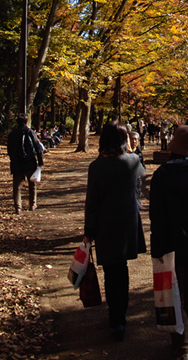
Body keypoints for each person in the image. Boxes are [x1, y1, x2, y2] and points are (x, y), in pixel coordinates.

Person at [150, 125, 188, 360]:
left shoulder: (162, 176)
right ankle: (187, 340)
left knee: (173, 292)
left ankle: (184, 345)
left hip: (169, 243)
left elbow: (157, 214)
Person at [83, 121, 146, 341]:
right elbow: (142, 171)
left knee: (111, 271)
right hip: (128, 223)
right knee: (123, 269)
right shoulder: (133, 160)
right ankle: (122, 313)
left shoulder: (96, 167)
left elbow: (92, 201)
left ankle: (116, 318)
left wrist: (89, 230)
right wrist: (129, 148)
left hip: (105, 224)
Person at [7, 113, 44, 214]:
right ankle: (32, 204)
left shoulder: (12, 134)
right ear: (26, 122)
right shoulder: (30, 132)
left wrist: (13, 159)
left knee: (17, 186)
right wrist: (40, 162)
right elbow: (38, 147)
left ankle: (18, 207)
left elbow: (9, 150)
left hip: (16, 163)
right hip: (29, 161)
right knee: (31, 184)